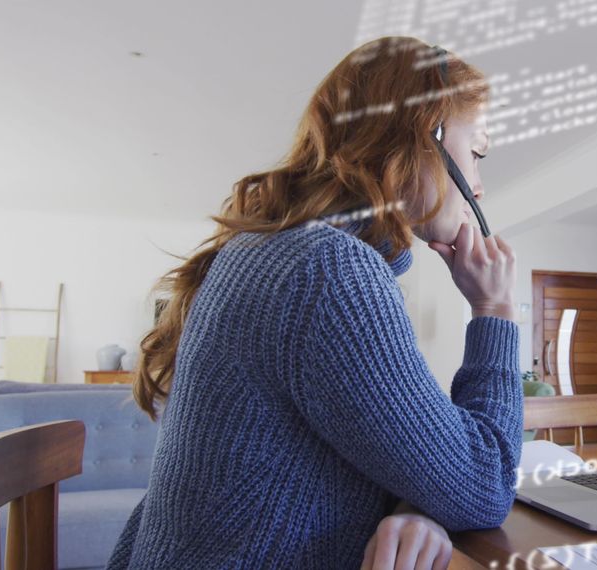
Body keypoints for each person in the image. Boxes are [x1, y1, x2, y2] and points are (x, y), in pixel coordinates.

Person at [106, 36, 521, 569]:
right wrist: (495, 311)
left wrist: (418, 506)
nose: (479, 187)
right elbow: (485, 485)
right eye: (476, 154)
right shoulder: (329, 272)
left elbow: (411, 457)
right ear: (426, 135)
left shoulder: (284, 252)